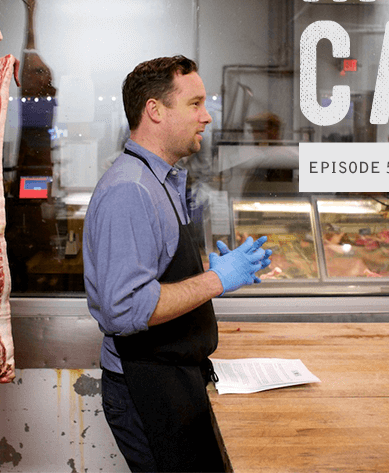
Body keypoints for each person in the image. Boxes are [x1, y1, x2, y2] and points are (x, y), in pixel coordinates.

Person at [83, 55, 271, 472]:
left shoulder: (159, 180)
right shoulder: (130, 190)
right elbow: (126, 308)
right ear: (155, 110)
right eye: (195, 104)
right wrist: (215, 281)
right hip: (145, 386)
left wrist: (206, 274)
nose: (206, 117)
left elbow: (157, 273)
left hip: (172, 377)